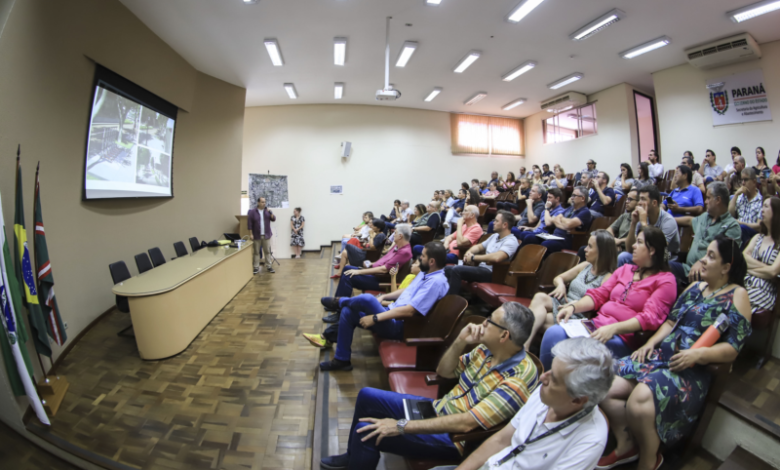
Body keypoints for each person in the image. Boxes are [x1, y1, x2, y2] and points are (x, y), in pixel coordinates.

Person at [320, 303, 538, 470]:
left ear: (504, 335)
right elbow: (443, 372)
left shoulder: (518, 378)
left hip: (454, 439)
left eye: (490, 321)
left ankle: (359, 455)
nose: (483, 323)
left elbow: (466, 424)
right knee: (367, 395)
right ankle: (353, 456)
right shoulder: (486, 349)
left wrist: (400, 426)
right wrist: (461, 340)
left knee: (364, 431)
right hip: (438, 409)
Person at [599, 236, 751, 470]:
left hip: (690, 368)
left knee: (640, 399)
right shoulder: (695, 287)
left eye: (711, 256)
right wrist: (650, 343)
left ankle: (650, 458)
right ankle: (627, 443)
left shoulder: (737, 295)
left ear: (726, 267)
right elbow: (671, 323)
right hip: (661, 357)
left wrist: (698, 355)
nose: (703, 259)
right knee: (603, 383)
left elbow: (733, 348)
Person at [435, 338, 614, 470]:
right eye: (550, 369)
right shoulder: (545, 393)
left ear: (577, 399)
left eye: (555, 379)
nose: (543, 377)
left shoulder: (590, 440)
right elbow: (500, 440)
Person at [541, 226, 677, 371]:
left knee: (569, 350)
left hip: (622, 337)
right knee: (553, 333)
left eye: (639, 242)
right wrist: (573, 307)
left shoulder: (666, 281)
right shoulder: (625, 269)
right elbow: (599, 294)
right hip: (596, 325)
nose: (633, 246)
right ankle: (546, 385)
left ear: (652, 250)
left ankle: (561, 388)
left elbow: (649, 317)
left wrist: (612, 329)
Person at [309, 242, 449, 372]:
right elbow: (407, 291)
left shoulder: (436, 282)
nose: (419, 258)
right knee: (348, 312)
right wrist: (384, 297)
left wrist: (375, 317)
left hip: (401, 326)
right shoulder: (426, 273)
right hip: (391, 312)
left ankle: (339, 302)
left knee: (368, 299)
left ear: (432, 261)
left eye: (423, 256)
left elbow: (410, 311)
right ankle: (342, 360)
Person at [527, 230, 617, 349]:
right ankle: (525, 346)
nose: (585, 249)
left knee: (536, 319)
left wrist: (576, 305)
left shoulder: (608, 277)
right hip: (563, 302)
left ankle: (524, 345)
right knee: (539, 297)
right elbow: (559, 278)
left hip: (577, 315)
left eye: (590, 247)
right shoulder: (585, 265)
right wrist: (561, 285)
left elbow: (599, 304)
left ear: (602, 252)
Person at [670, 182, 741, 288]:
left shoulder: (731, 226)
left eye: (708, 198)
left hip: (707, 275)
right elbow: (690, 220)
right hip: (687, 269)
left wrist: (702, 261)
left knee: (665, 271)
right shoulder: (705, 217)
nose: (705, 202)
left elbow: (726, 257)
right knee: (660, 267)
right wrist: (668, 220)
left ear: (718, 200)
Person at [325, 224, 414, 305]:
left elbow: (384, 269)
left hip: (380, 279)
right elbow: (385, 260)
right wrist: (372, 263)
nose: (393, 235)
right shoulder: (397, 246)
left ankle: (339, 307)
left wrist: (360, 272)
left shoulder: (404, 252)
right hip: (375, 274)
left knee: (348, 276)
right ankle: (336, 302)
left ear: (400, 236)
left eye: (395, 233)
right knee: (347, 268)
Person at [444, 211, 519, 295]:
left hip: (492, 273)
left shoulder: (511, 241)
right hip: (481, 269)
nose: (493, 223)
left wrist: (473, 257)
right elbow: (479, 247)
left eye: (496, 221)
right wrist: (468, 253)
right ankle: (451, 296)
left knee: (456, 270)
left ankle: (451, 301)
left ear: (505, 225)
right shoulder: (494, 236)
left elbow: (497, 257)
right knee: (448, 269)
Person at [619, 185, 680, 267]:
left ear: (654, 203)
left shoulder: (668, 221)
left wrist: (644, 223)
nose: (639, 203)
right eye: (639, 199)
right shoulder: (642, 217)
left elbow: (656, 251)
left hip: (665, 260)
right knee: (623, 256)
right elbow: (629, 249)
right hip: (645, 255)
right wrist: (633, 223)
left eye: (643, 199)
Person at [525, 186, 592, 255]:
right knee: (530, 238)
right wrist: (565, 226)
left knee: (545, 244)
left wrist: (562, 220)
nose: (571, 197)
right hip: (554, 236)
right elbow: (556, 219)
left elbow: (568, 224)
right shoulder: (570, 208)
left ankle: (539, 264)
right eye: (572, 195)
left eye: (574, 195)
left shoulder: (585, 212)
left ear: (583, 198)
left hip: (566, 240)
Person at [744, 197, 780, 314]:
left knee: (735, 301)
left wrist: (749, 268)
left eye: (766, 206)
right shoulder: (757, 237)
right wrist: (765, 268)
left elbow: (773, 272)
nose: (762, 210)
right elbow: (743, 258)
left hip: (764, 291)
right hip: (744, 282)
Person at [416, 205, 483, 265]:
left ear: (472, 215)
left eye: (465, 211)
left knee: (428, 255)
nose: (462, 213)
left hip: (456, 255)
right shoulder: (465, 226)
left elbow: (460, 243)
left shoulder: (476, 228)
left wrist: (459, 225)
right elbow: (449, 237)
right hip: (446, 251)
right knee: (417, 248)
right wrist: (446, 244)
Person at [729, 167, 763, 243]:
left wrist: (741, 223)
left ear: (754, 182)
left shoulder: (761, 201)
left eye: (746, 180)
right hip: (738, 230)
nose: (743, 183)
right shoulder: (740, 197)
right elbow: (730, 214)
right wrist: (736, 194)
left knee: (742, 228)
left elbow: (759, 226)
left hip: (753, 234)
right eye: (742, 180)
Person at [248, 196, 276, 274]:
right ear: (258, 203)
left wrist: (271, 213)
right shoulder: (253, 212)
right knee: (256, 252)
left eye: (265, 202)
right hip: (256, 235)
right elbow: (249, 224)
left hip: (266, 235)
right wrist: (251, 234)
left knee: (267, 251)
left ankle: (269, 266)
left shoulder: (267, 211)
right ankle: (256, 267)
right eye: (262, 202)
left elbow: (273, 219)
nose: (264, 203)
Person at [607, 187, 639, 252]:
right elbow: (609, 229)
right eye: (627, 199)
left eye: (630, 199)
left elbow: (638, 239)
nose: (626, 202)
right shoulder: (624, 216)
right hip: (617, 246)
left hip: (629, 250)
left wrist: (620, 241)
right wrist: (614, 241)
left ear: (639, 202)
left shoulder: (643, 219)